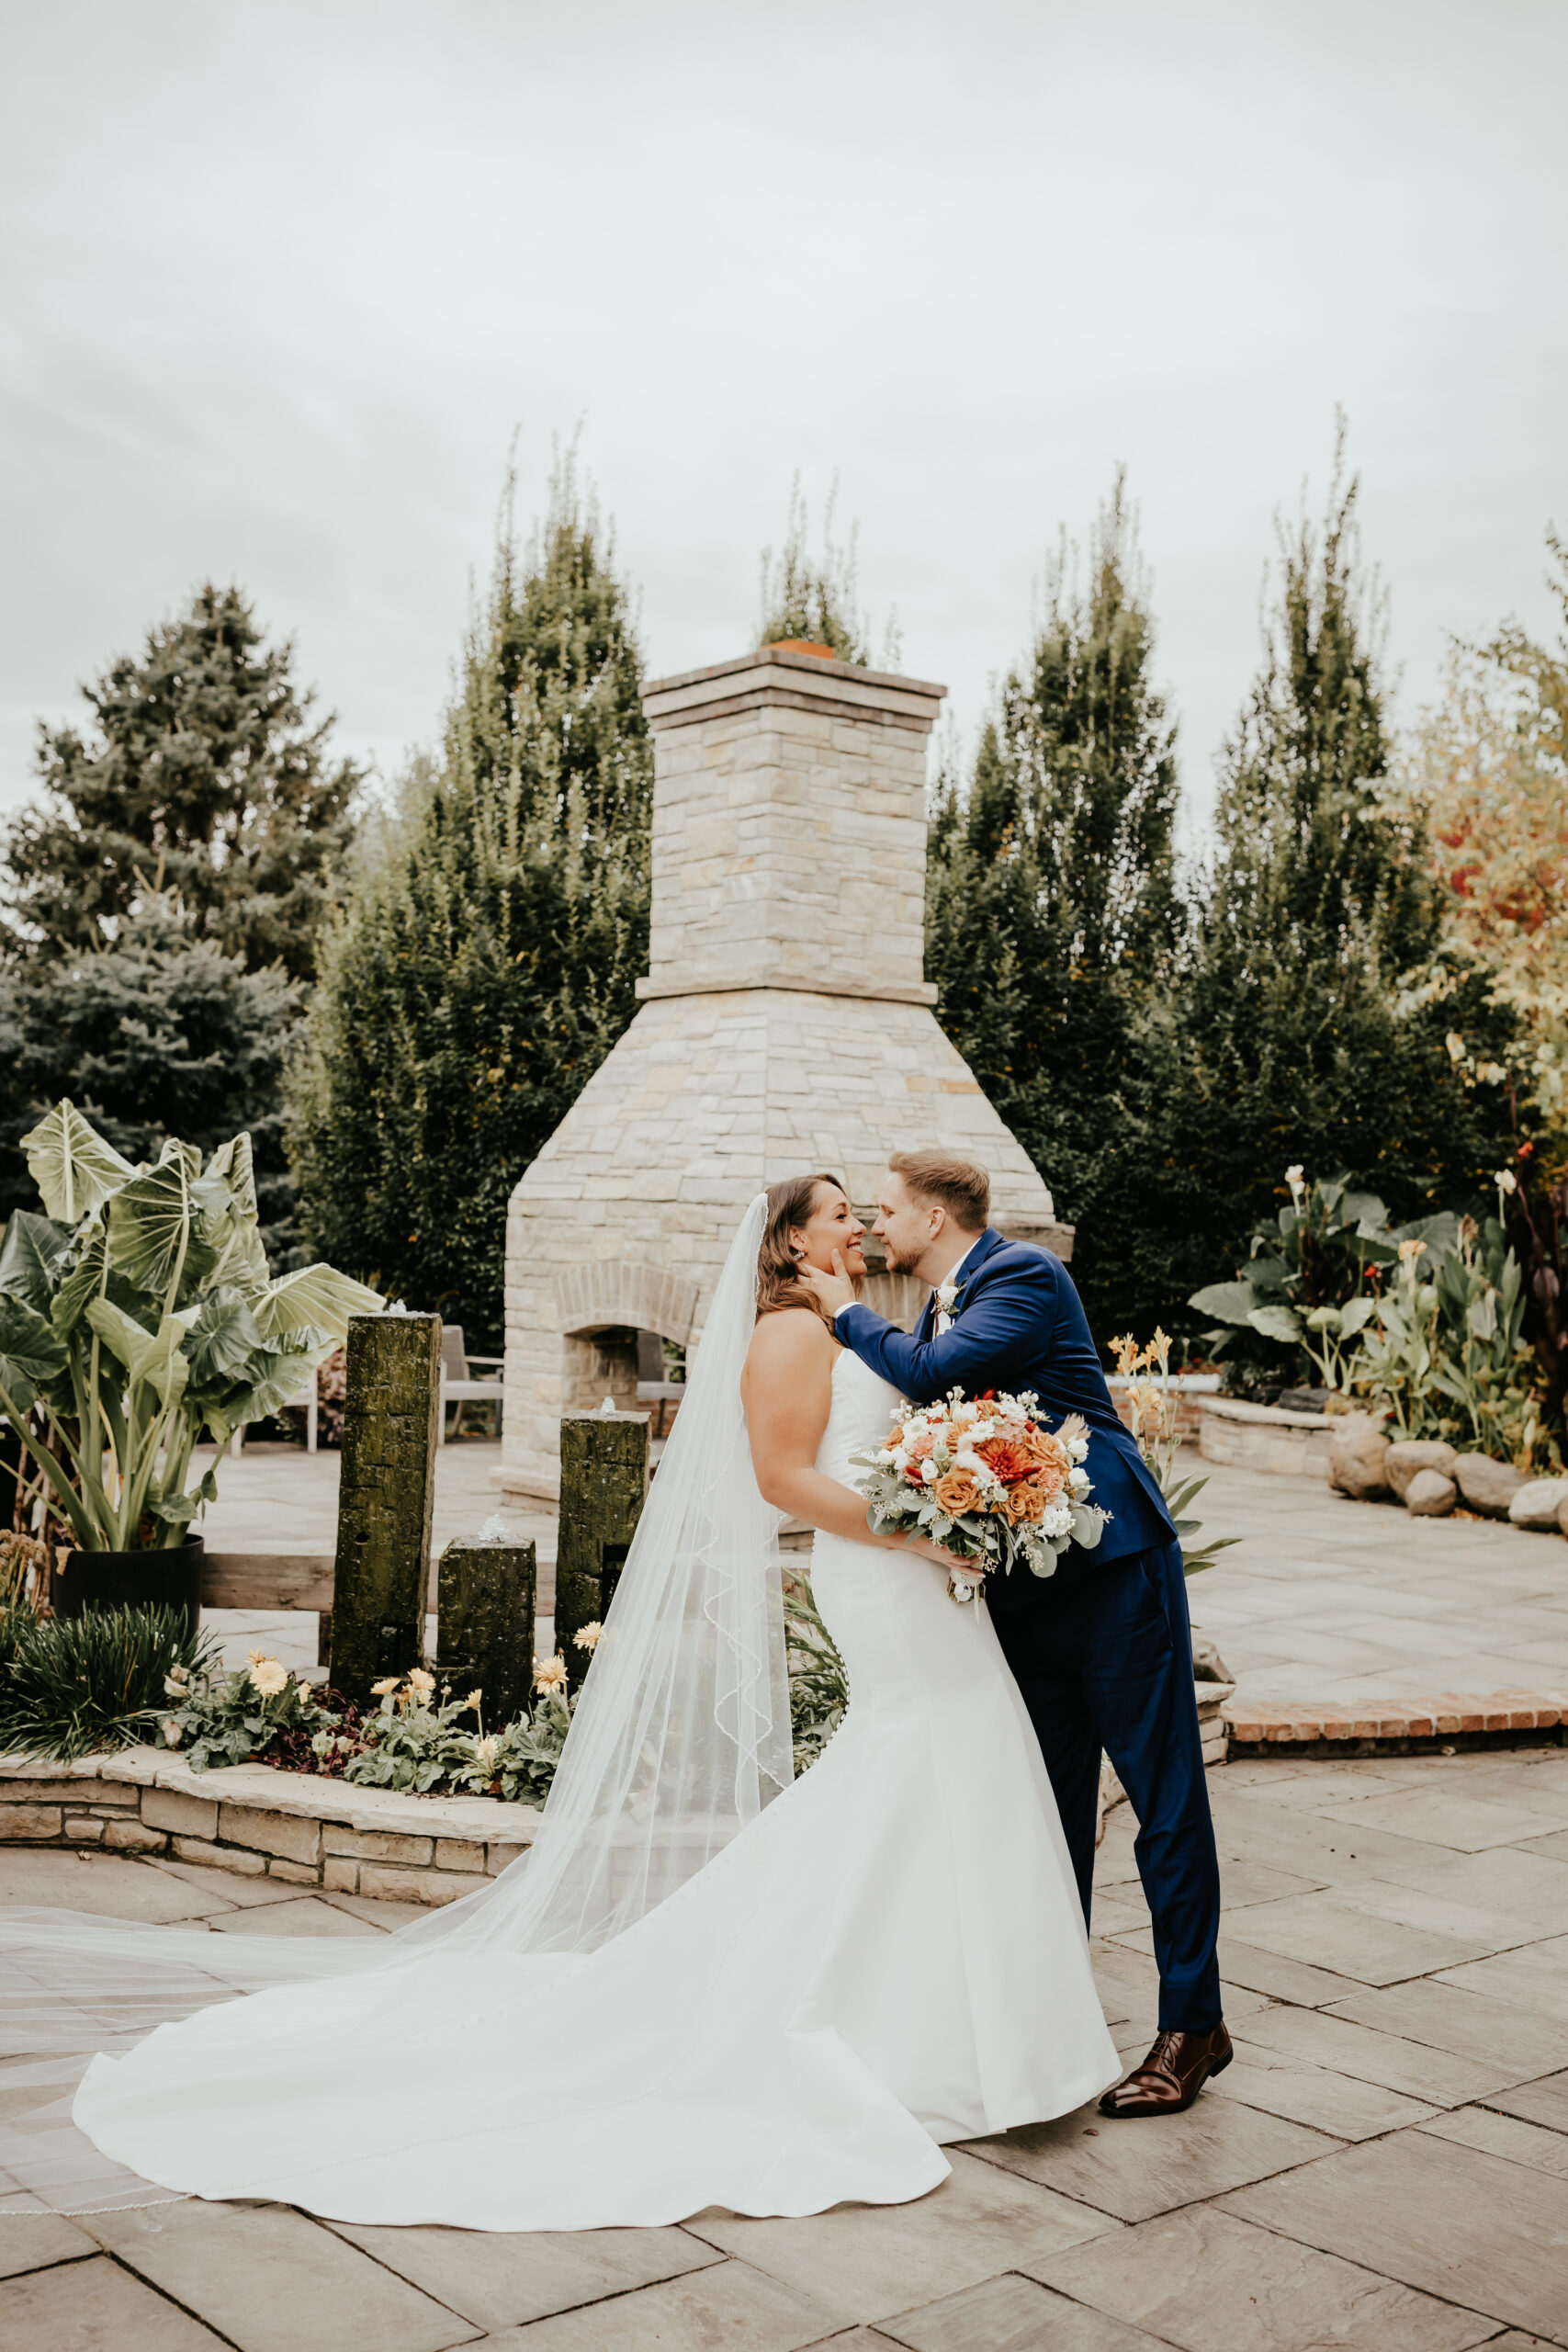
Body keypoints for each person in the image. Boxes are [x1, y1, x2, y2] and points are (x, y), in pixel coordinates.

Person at [5, 1178, 1117, 2228]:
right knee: (923, 1752)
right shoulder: (786, 1333)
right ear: (790, 1240)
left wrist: (959, 1495)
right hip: (882, 1575)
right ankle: (900, 2023)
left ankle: (954, 2020)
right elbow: (782, 1480)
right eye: (836, 1213)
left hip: (920, 1573)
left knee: (941, 1766)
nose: (859, 1226)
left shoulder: (853, 1324)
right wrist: (915, 1531)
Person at [803, 1149, 1229, 2118]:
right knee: (1046, 1808)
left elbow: (933, 1375)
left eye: (886, 1211)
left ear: (935, 1218)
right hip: (1025, 1591)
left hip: (1114, 1575)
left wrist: (844, 1311)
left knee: (1163, 1797)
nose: (874, 1226)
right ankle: (1051, 2020)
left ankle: (1192, 2025)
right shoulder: (934, 1305)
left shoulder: (1022, 1275)